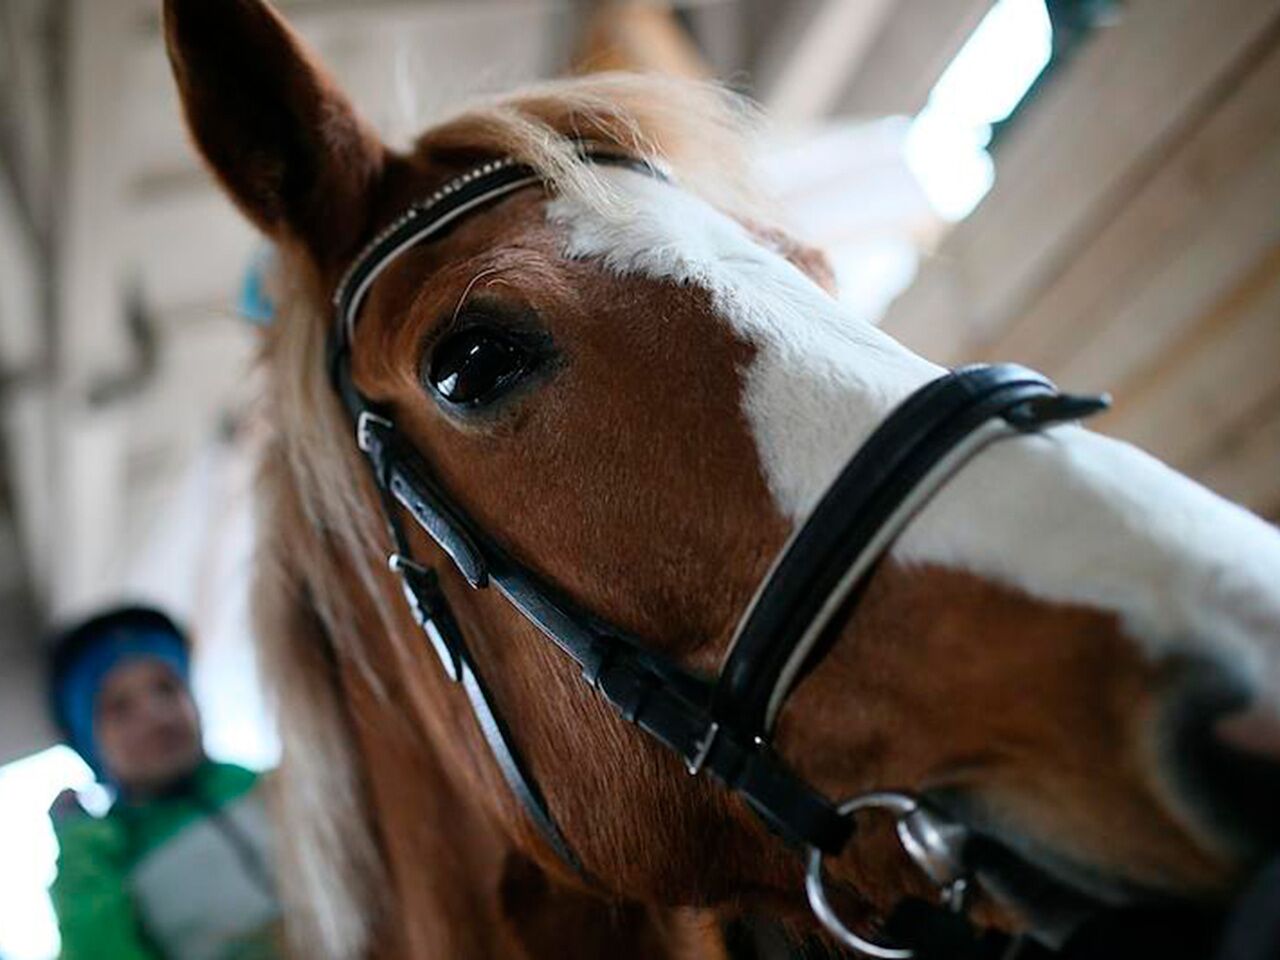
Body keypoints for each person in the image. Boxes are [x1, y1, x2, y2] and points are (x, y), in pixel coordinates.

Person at [46, 605, 282, 960]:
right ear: (90, 744)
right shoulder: (107, 866)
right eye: (121, 708)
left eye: (167, 688)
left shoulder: (272, 791)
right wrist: (81, 864)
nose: (156, 716)